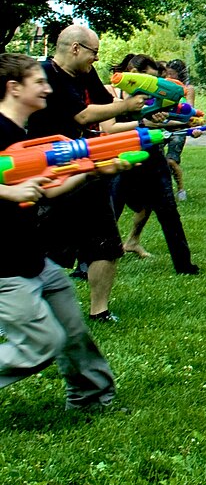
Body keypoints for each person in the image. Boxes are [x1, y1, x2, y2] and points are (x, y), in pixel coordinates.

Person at [0, 53, 120, 413]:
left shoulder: (22, 132)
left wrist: (92, 170)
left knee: (71, 329)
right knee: (39, 344)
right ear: (14, 87)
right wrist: (9, 193)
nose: (48, 88)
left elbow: (47, 191)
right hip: (5, 267)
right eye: (39, 82)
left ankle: (90, 398)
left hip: (31, 256)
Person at [28, 25, 147, 322]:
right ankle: (22, 313)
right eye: (94, 52)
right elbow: (82, 115)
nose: (97, 59)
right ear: (75, 48)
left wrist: (141, 111)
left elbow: (106, 107)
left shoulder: (85, 73)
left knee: (105, 242)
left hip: (86, 164)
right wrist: (127, 104)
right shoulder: (45, 74)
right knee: (40, 248)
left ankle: (99, 311)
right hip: (50, 170)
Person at [107, 54, 200, 276]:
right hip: (123, 160)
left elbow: (162, 122)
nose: (153, 84)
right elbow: (108, 129)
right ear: (133, 74)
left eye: (155, 78)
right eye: (149, 78)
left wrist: (187, 124)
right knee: (109, 214)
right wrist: (142, 122)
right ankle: (85, 266)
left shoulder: (153, 96)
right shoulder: (112, 93)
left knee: (169, 213)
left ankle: (184, 266)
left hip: (153, 160)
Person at [164, 59, 194, 202]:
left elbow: (190, 110)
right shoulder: (164, 85)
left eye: (172, 74)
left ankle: (181, 189)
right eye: (167, 74)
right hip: (161, 127)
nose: (169, 77)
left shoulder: (188, 89)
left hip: (179, 129)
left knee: (171, 160)